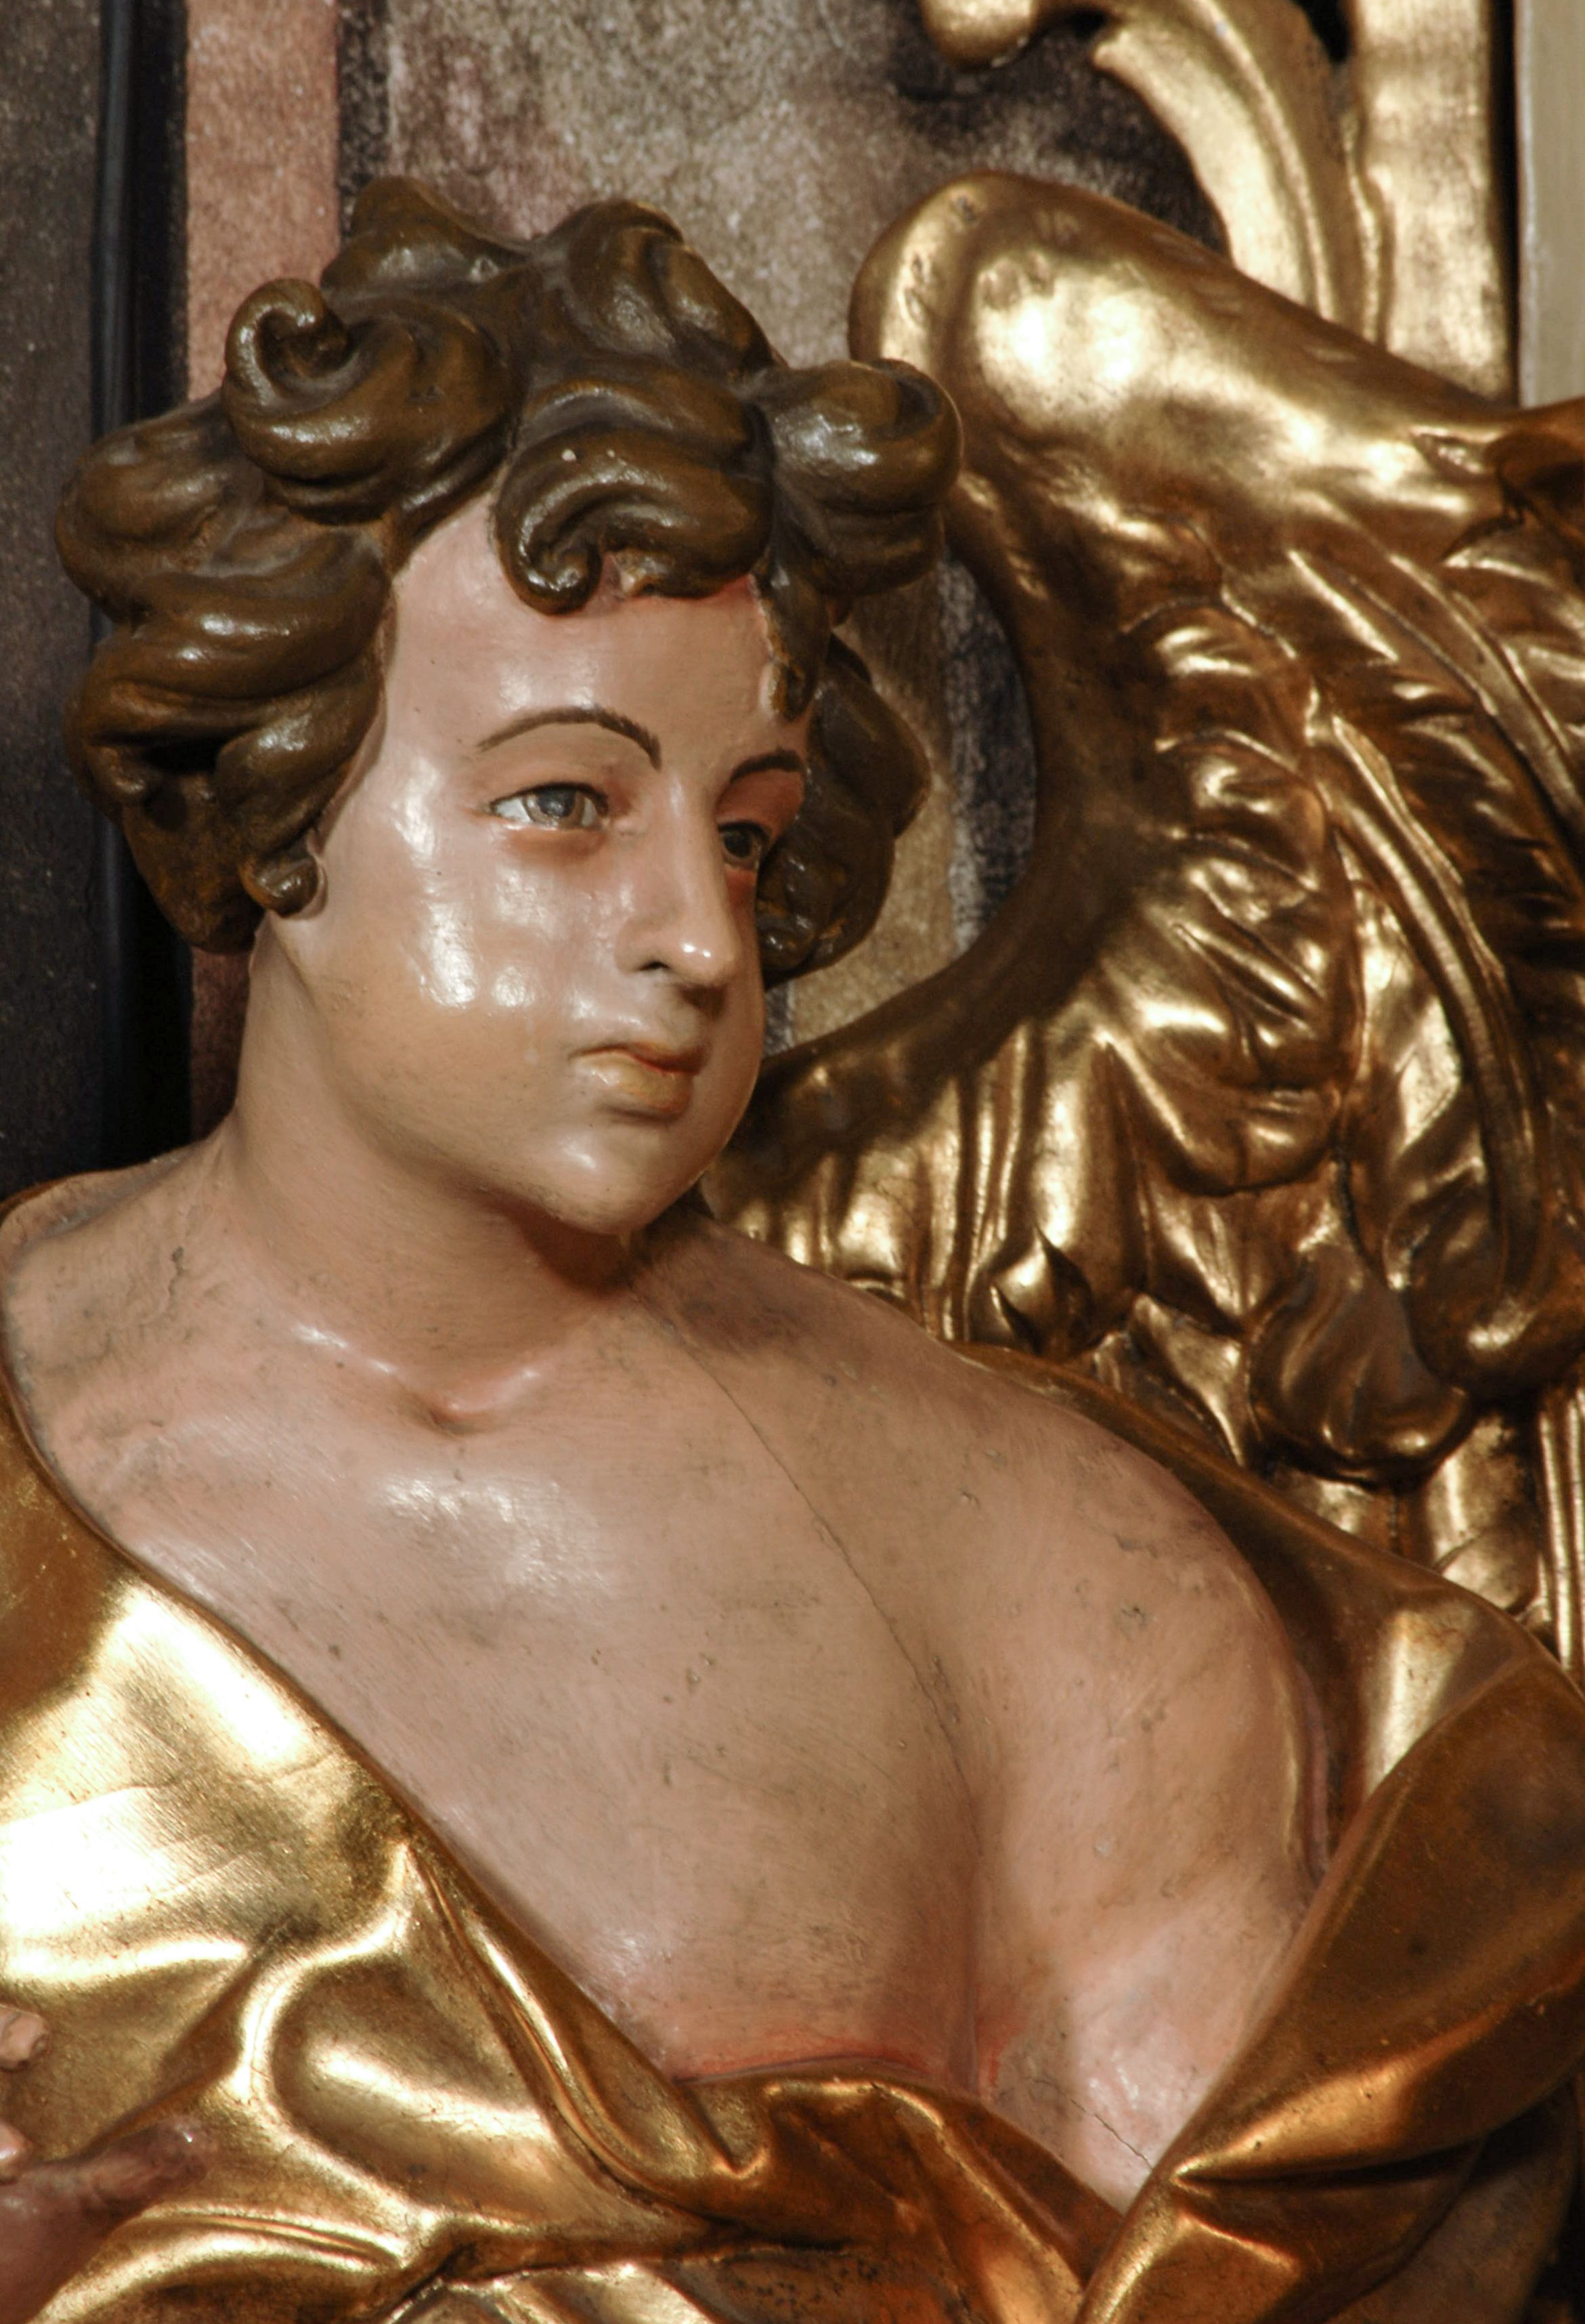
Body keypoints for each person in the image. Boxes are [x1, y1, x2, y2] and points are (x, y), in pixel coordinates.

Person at [0, 179, 1578, 2324]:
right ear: (278, 802)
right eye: (566, 806)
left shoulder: (1040, 1581)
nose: (695, 935)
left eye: (742, 832)